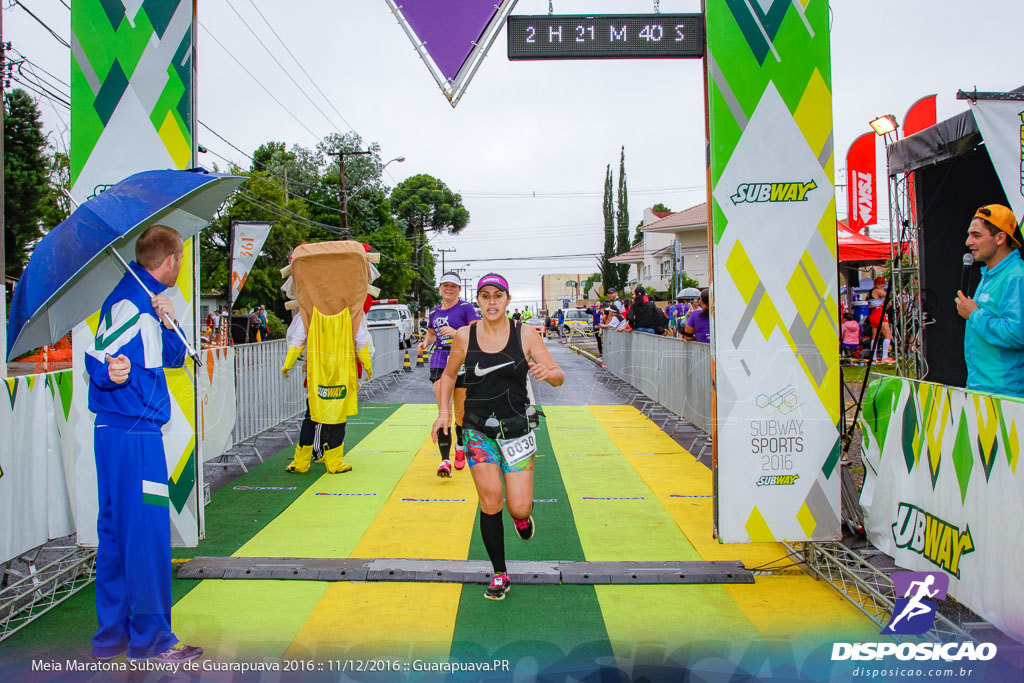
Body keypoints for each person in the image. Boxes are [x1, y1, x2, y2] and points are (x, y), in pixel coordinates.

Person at [84, 224, 202, 662]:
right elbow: (98, 353)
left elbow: (173, 357)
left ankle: (112, 638)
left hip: (117, 432)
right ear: (171, 261)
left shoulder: (145, 300)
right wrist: (106, 370)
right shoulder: (131, 301)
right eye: (181, 260)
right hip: (135, 435)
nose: (180, 266)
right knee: (147, 537)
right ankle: (151, 642)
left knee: (116, 536)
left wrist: (169, 320)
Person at [432, 273, 564, 600]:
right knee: (491, 502)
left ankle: (521, 519)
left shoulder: (526, 334)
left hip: (518, 428)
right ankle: (500, 573)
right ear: (478, 300)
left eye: (498, 295)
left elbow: (558, 374)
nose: (492, 301)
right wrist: (443, 413)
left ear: (508, 300)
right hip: (478, 430)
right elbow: (449, 376)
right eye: (485, 295)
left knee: (518, 507)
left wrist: (549, 375)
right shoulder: (465, 335)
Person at [956, 204, 1024, 397]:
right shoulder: (991, 275)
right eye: (970, 235)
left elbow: (1017, 333)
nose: (968, 242)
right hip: (984, 388)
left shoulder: (1016, 276)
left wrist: (974, 314)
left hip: (1007, 393)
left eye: (976, 235)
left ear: (1000, 238)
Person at [418, 272, 480, 477]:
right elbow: (432, 333)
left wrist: (457, 333)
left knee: (461, 414)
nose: (449, 289)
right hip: (439, 361)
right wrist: (425, 343)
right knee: (444, 411)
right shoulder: (434, 311)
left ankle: (460, 446)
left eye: (453, 286)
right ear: (440, 288)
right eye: (445, 285)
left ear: (459, 289)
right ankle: (445, 460)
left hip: (461, 361)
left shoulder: (466, 308)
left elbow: (478, 331)